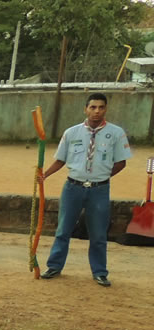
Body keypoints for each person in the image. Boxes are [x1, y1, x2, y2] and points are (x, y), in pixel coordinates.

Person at [40, 92, 131, 286]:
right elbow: (60, 160)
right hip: (73, 188)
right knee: (63, 230)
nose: (97, 111)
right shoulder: (71, 133)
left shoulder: (116, 133)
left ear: (106, 109)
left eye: (101, 107)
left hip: (99, 190)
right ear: (86, 109)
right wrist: (45, 175)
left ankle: (99, 272)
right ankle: (54, 266)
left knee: (98, 234)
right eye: (93, 107)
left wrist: (101, 176)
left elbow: (121, 163)